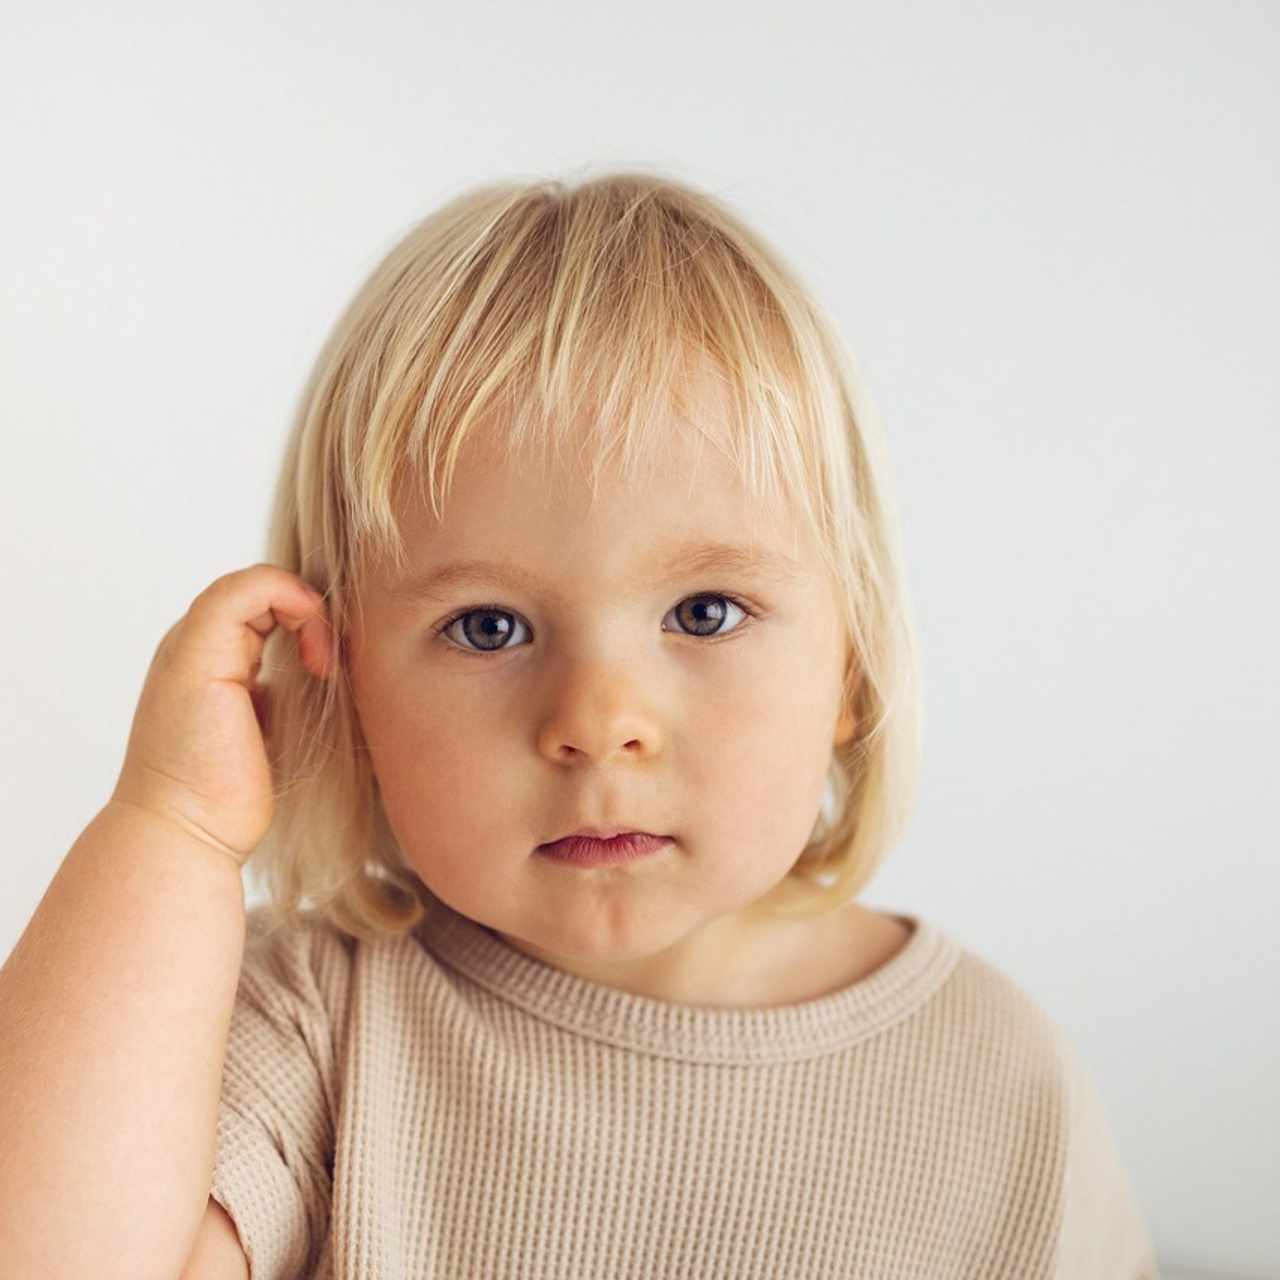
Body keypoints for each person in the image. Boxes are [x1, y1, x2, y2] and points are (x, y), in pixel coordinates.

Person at [0, 173, 1156, 1278]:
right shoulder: (310, 1020)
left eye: (705, 611)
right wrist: (171, 832)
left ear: (849, 662)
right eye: (489, 627)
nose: (598, 724)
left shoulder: (1001, 1076)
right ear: (346, 688)